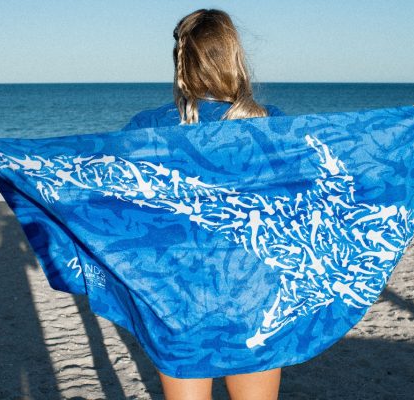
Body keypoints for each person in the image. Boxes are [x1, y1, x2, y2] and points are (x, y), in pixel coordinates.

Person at [122, 8, 284, 400]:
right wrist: (402, 129)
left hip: (178, 296)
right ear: (235, 57)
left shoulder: (148, 128)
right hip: (253, 293)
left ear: (181, 61)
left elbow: (115, 206)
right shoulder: (272, 124)